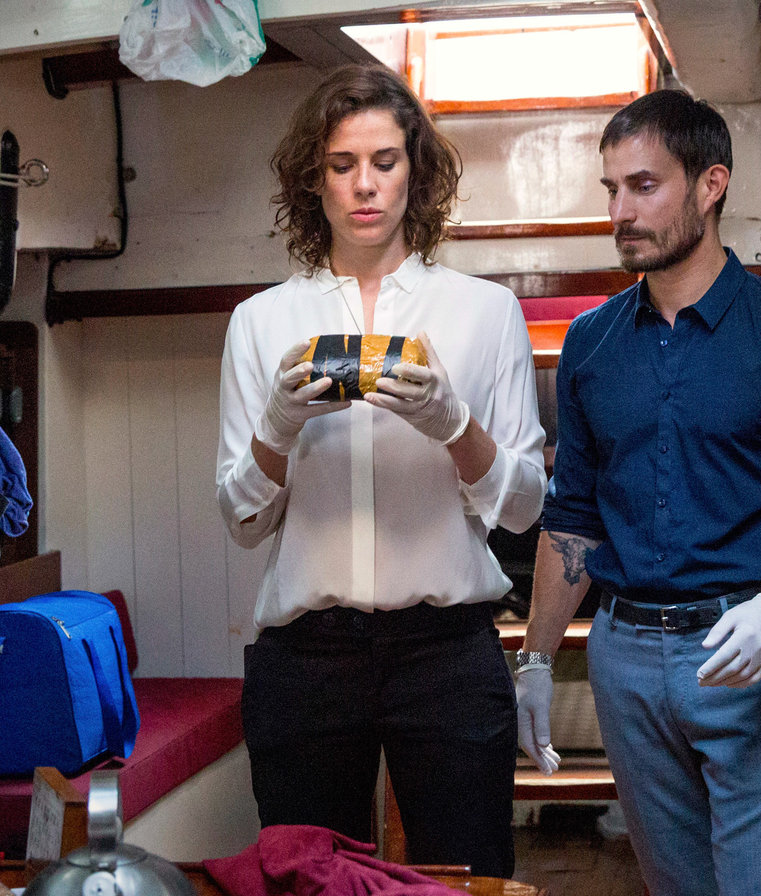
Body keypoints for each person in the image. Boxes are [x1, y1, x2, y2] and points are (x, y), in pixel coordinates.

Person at [513, 89, 761, 896]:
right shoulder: (590, 342)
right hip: (625, 659)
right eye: (612, 189)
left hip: (753, 649)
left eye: (643, 186)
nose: (620, 211)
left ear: (711, 184)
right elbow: (572, 515)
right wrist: (537, 658)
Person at [215, 64, 546, 878]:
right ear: (314, 179)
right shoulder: (260, 322)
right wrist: (277, 428)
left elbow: (523, 508)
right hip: (307, 655)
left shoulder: (485, 311)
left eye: (385, 161)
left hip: (447, 650)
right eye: (342, 164)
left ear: (415, 172)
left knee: (468, 875)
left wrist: (453, 425)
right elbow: (242, 519)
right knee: (306, 878)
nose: (365, 184)